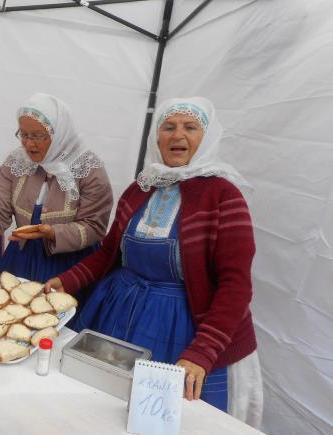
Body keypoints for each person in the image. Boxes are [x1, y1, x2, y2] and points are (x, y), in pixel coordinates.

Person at [45, 97, 263, 427]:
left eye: (190, 127)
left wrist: (202, 352)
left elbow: (235, 285)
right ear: (156, 136)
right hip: (117, 313)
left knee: (156, 421)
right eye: (168, 127)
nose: (178, 135)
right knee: (96, 410)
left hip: (180, 325)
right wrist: (67, 281)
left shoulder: (224, 196)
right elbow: (108, 253)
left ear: (206, 137)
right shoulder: (139, 189)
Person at [0, 93, 113, 290]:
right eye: (23, 134)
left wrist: (53, 233)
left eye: (37, 136)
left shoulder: (89, 170)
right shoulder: (17, 163)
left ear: (59, 134)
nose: (28, 144)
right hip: (21, 260)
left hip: (67, 268)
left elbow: (95, 227)